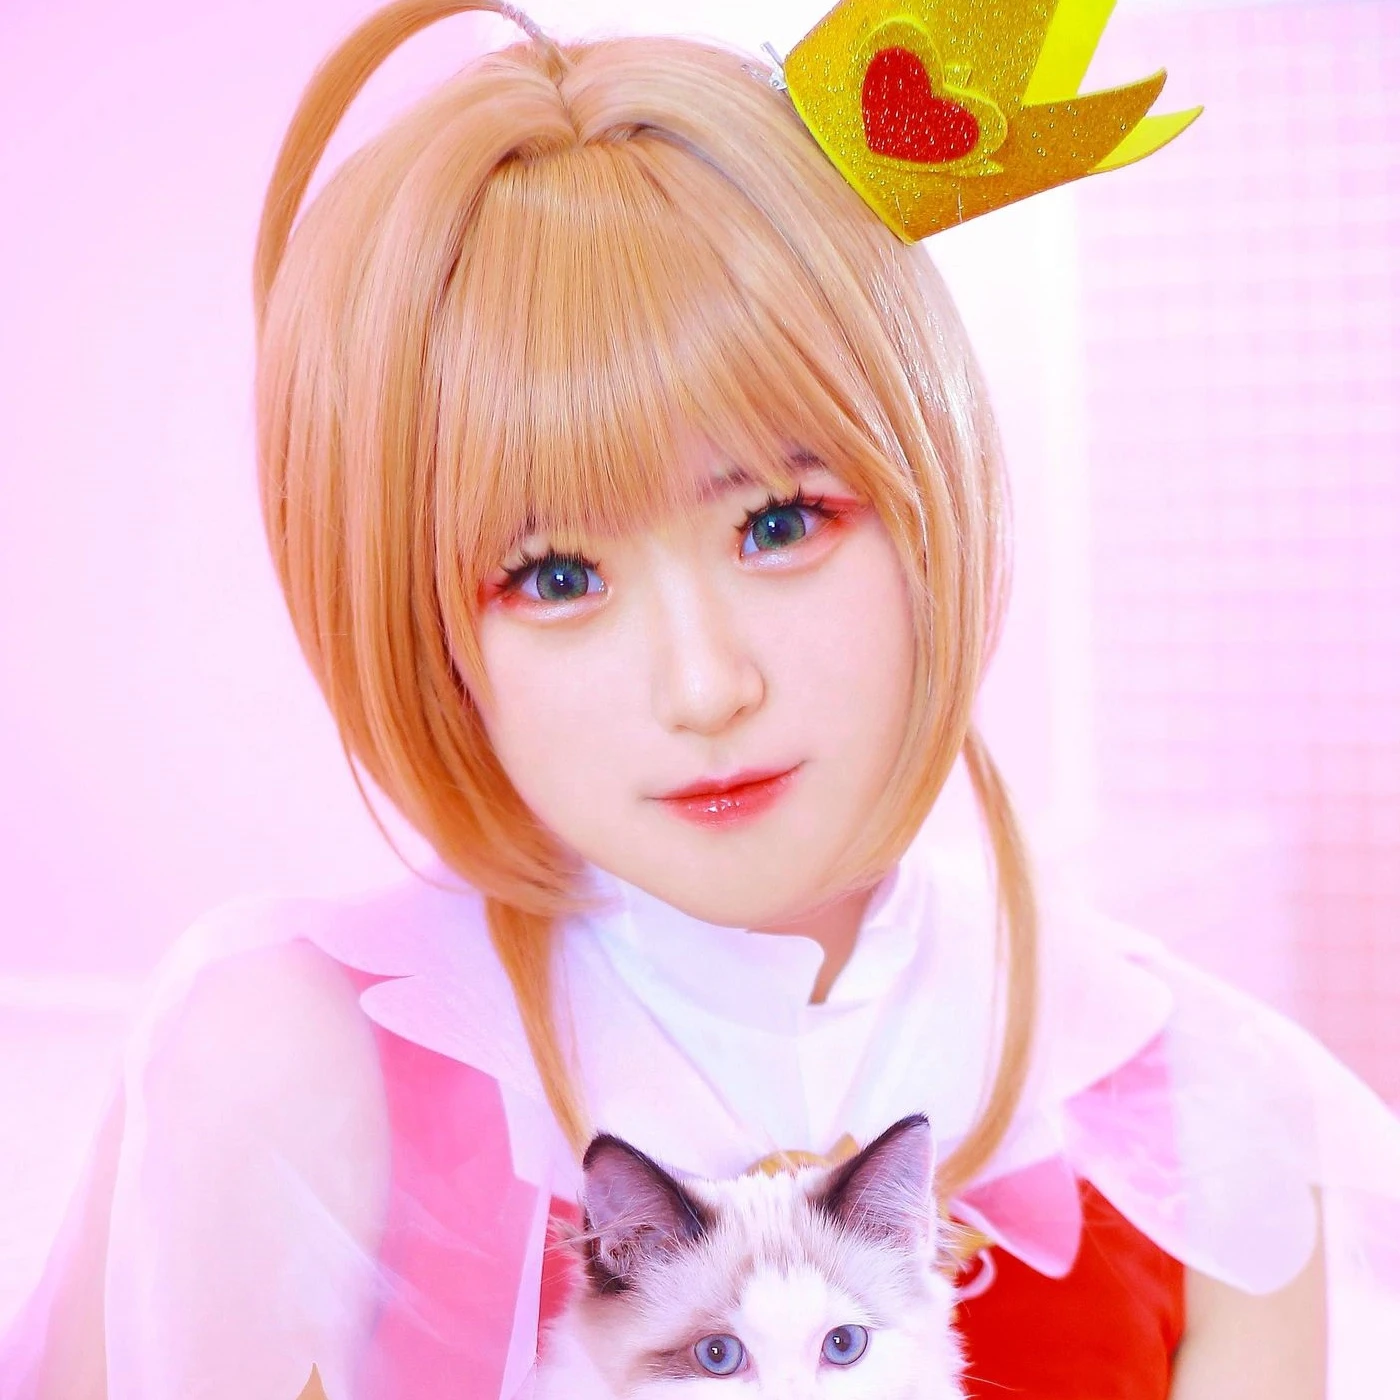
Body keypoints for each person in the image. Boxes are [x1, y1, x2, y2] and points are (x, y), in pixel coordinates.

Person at [3, 1, 1398, 1396]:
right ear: (423, 629)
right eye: (554, 575)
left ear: (938, 490)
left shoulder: (1199, 1114)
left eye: (782, 523)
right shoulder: (285, 1067)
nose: (705, 684)